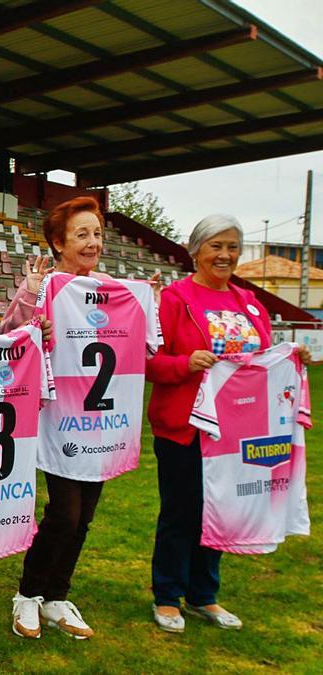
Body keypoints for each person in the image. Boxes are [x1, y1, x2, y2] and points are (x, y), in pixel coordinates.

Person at [1, 197, 157, 640]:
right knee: (64, 515)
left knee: (85, 516)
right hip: (61, 420)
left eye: (98, 234)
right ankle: (28, 595)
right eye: (82, 234)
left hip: (103, 423)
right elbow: (11, 337)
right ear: (58, 242)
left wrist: (148, 303)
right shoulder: (46, 285)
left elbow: (145, 349)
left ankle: (56, 597)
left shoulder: (115, 288)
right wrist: (32, 300)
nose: (93, 243)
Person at [144, 214, 308, 634]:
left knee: (221, 510)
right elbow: (149, 362)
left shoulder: (249, 303)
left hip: (235, 431)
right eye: (216, 245)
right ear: (196, 250)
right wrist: (185, 363)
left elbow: (261, 363)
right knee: (183, 512)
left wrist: (291, 360)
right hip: (184, 426)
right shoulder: (175, 299)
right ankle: (167, 596)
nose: (225, 255)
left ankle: (204, 596)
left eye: (233, 246)